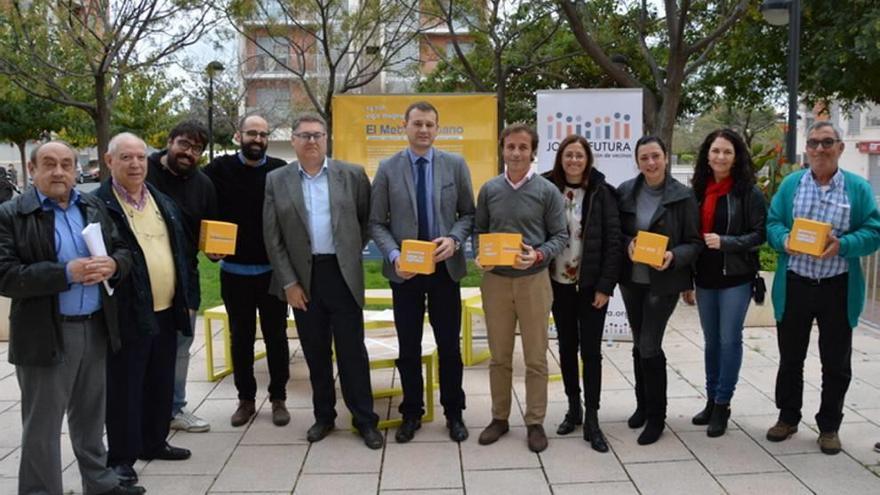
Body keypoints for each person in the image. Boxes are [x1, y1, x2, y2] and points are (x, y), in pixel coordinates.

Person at [0, 141, 143, 495]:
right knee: (43, 425)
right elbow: (5, 274)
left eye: (67, 164)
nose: (60, 171)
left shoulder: (93, 205)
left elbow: (124, 250)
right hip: (45, 333)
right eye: (49, 164)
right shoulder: (11, 214)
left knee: (91, 416)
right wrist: (65, 272)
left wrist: (114, 264)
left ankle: (100, 482)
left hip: (94, 327)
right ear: (32, 170)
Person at [263, 113, 384, 449]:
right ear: (294, 141)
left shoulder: (352, 175)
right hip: (304, 279)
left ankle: (364, 420)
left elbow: (363, 221)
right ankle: (324, 417)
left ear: (326, 138)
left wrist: (347, 254)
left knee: (352, 353)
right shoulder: (277, 180)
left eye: (317, 135)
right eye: (304, 136)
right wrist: (289, 282)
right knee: (315, 352)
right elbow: (272, 237)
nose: (311, 141)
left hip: (342, 274)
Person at [765, 121, 880, 454]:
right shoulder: (791, 185)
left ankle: (829, 426)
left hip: (837, 287)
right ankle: (787, 418)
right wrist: (784, 241)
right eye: (813, 142)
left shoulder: (857, 189)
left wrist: (842, 245)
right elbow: (773, 223)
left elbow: (873, 233)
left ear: (840, 147)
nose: (819, 149)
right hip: (797, 284)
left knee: (836, 363)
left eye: (827, 142)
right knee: (790, 358)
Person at [369, 101, 475, 443]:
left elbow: (468, 215)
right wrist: (394, 254)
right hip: (406, 273)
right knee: (409, 345)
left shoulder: (455, 165)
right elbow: (376, 222)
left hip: (445, 269)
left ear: (437, 128)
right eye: (417, 123)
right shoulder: (387, 168)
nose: (424, 130)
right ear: (405, 125)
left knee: (449, 345)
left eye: (430, 124)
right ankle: (411, 412)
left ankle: (454, 412)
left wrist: (455, 240)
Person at [96, 133, 196, 485]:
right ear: (110, 161)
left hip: (167, 308)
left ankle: (154, 442)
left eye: (140, 157)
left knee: (160, 380)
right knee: (125, 388)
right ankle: (121, 457)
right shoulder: (98, 205)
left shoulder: (161, 201)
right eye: (126, 158)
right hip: (127, 312)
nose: (136, 164)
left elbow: (181, 253)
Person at [475, 123, 568, 453]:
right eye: (510, 147)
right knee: (499, 356)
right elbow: (479, 230)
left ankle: (535, 421)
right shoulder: (489, 189)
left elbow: (561, 235)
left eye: (522, 148)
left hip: (533, 282)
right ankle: (499, 418)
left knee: (535, 357)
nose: (516, 153)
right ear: (502, 149)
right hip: (496, 282)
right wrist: (480, 255)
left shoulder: (547, 191)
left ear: (533, 152)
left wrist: (540, 253)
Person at [204, 115, 291, 427]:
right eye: (252, 133)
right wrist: (206, 245)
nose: (257, 139)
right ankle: (246, 399)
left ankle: (279, 397)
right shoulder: (218, 170)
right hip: (235, 271)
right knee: (240, 338)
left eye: (263, 134)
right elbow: (201, 207)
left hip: (273, 272)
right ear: (238, 135)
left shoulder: (281, 170)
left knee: (276, 337)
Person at [682, 129, 767, 438]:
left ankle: (723, 404)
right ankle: (710, 398)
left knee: (729, 340)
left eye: (727, 152)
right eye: (716, 151)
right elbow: (689, 236)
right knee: (711, 342)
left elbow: (761, 234)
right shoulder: (698, 190)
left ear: (736, 157)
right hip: (704, 277)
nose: (720, 157)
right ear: (707, 154)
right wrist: (686, 279)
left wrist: (726, 241)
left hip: (736, 277)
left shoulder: (749, 192)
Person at [617, 135, 702, 445]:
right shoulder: (626, 191)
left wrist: (673, 256)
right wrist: (628, 244)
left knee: (650, 345)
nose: (650, 163)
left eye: (655, 156)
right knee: (639, 344)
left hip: (663, 283)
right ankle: (643, 405)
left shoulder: (683, 196)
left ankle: (657, 417)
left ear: (666, 157)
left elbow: (695, 243)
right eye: (644, 158)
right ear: (637, 162)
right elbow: (618, 233)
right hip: (632, 280)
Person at [542, 134, 621, 452]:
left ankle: (593, 418)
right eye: (568, 155)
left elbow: (613, 243)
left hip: (591, 288)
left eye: (579, 155)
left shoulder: (603, 192)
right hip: (556, 285)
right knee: (565, 348)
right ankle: (573, 408)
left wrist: (605, 286)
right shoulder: (547, 188)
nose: (573, 160)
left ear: (588, 160)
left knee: (591, 352)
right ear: (560, 159)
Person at [146, 121, 217, 433]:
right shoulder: (143, 171)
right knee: (142, 345)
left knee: (180, 344)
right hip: (142, 276)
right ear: (169, 141)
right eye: (185, 144)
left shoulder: (203, 185)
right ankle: (141, 410)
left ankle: (174, 408)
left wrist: (214, 250)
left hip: (185, 276)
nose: (190, 153)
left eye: (197, 149)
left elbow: (209, 231)